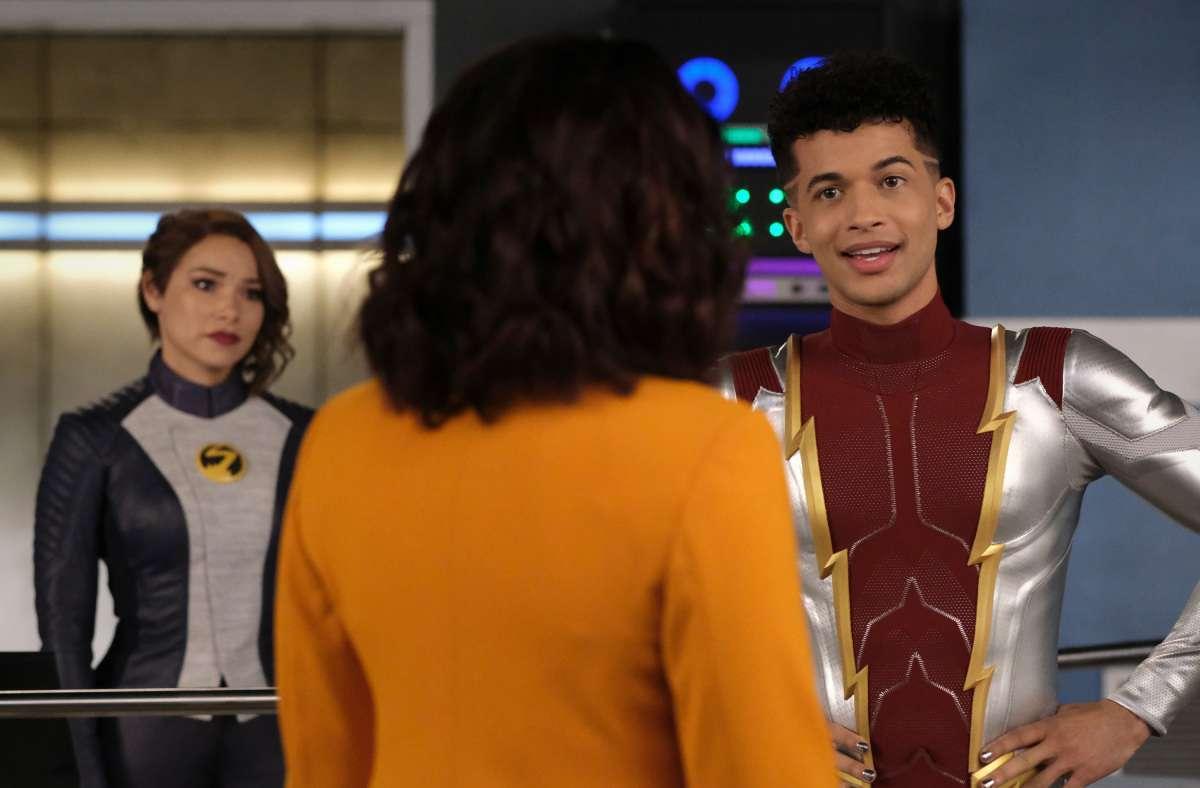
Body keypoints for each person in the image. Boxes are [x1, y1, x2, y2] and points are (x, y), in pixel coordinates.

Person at [274, 35, 836, 788]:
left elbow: (322, 764)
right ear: (660, 224)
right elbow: (761, 772)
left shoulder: (342, 441)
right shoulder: (708, 449)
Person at [717, 51, 1200, 788]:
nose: (863, 214)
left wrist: (1138, 710)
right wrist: (738, 713)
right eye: (829, 191)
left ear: (941, 201)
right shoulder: (732, 400)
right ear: (797, 225)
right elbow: (598, 587)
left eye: (891, 180)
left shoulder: (1061, 378)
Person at [34, 209, 313, 788]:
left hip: (278, 734)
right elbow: (64, 632)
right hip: (142, 738)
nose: (229, 310)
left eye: (251, 293)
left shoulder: (306, 436)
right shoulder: (95, 438)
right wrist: (84, 776)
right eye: (206, 284)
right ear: (153, 291)